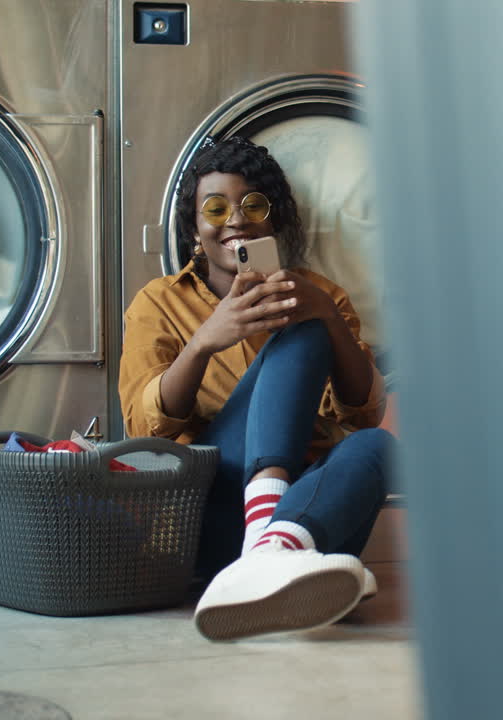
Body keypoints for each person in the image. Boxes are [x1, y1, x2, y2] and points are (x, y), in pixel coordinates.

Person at [119, 137, 392, 641]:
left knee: (378, 445)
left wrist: (328, 316)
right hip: (212, 511)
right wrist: (204, 341)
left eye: (253, 205)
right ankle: (266, 543)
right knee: (303, 329)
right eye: (216, 208)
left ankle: (270, 553)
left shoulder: (317, 294)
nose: (236, 220)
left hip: (312, 512)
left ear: (273, 220)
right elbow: (142, 426)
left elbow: (364, 413)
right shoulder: (158, 303)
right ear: (195, 230)